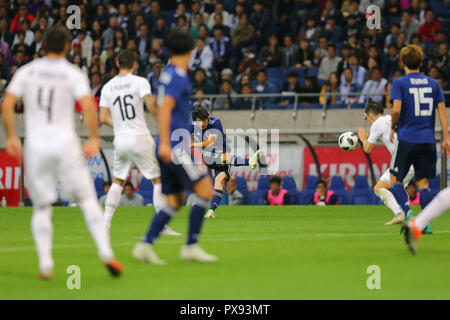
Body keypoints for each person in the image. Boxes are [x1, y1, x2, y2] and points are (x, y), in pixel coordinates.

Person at [1, 26, 123, 279]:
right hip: (65, 142)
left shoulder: (27, 70)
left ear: (42, 45)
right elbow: (89, 106)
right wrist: (92, 138)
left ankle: (46, 264)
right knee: (88, 199)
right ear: (68, 47)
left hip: (36, 145)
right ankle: (106, 253)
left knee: (42, 207)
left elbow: (8, 103)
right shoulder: (72, 73)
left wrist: (12, 136)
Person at [131, 29, 217, 264]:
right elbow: (166, 108)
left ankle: (145, 244)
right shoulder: (178, 76)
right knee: (205, 191)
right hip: (175, 147)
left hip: (170, 144)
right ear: (191, 51)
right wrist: (168, 143)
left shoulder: (167, 73)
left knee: (176, 200)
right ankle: (191, 246)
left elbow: (164, 108)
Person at [99, 49, 180, 236]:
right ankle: (162, 226)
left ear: (117, 63)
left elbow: (102, 117)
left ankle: (105, 224)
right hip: (140, 137)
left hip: (120, 140)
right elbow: (151, 105)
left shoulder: (107, 87)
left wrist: (120, 125)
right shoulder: (140, 82)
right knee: (157, 179)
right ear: (135, 64)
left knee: (118, 180)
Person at [386, 44, 450, 251]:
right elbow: (442, 110)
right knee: (423, 185)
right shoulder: (433, 84)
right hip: (427, 141)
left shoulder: (399, 83)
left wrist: (394, 125)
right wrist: (446, 136)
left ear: (402, 62)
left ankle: (409, 216)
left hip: (406, 139)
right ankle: (426, 223)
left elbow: (396, 109)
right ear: (421, 63)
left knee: (395, 180)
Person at [190, 105, 262, 218]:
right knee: (222, 157)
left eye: (203, 121)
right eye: (198, 122)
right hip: (209, 157)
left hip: (220, 159)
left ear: (208, 117)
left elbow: (211, 142)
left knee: (219, 183)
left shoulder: (216, 122)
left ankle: (211, 211)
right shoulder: (194, 126)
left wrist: (193, 145)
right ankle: (249, 161)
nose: (201, 124)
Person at [358, 102, 415, 225]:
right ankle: (404, 214)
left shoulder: (376, 124)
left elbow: (367, 149)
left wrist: (363, 139)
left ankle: (402, 213)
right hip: (414, 158)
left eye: (368, 119)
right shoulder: (390, 119)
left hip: (403, 162)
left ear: (371, 116)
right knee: (398, 186)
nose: (369, 122)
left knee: (379, 188)